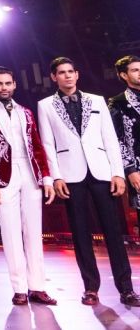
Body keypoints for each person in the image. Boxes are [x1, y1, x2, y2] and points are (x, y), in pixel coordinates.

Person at [37, 57, 140, 306]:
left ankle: (126, 289)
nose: (67, 76)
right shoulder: (45, 105)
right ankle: (90, 288)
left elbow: (110, 138)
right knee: (80, 233)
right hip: (70, 175)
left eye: (71, 71)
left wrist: (118, 173)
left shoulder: (97, 100)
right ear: (54, 77)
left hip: (101, 171)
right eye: (62, 72)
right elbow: (47, 143)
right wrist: (56, 176)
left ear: (77, 74)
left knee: (113, 231)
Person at [0, 67, 57, 306]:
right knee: (10, 233)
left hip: (30, 173)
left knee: (34, 232)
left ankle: (37, 287)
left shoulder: (25, 112)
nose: (4, 87)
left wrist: (46, 178)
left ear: (15, 84)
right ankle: (19, 288)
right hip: (1, 176)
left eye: (8, 83)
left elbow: (37, 146)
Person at [109, 55, 140, 215]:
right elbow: (116, 140)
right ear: (123, 75)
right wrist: (130, 170)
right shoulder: (117, 103)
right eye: (135, 70)